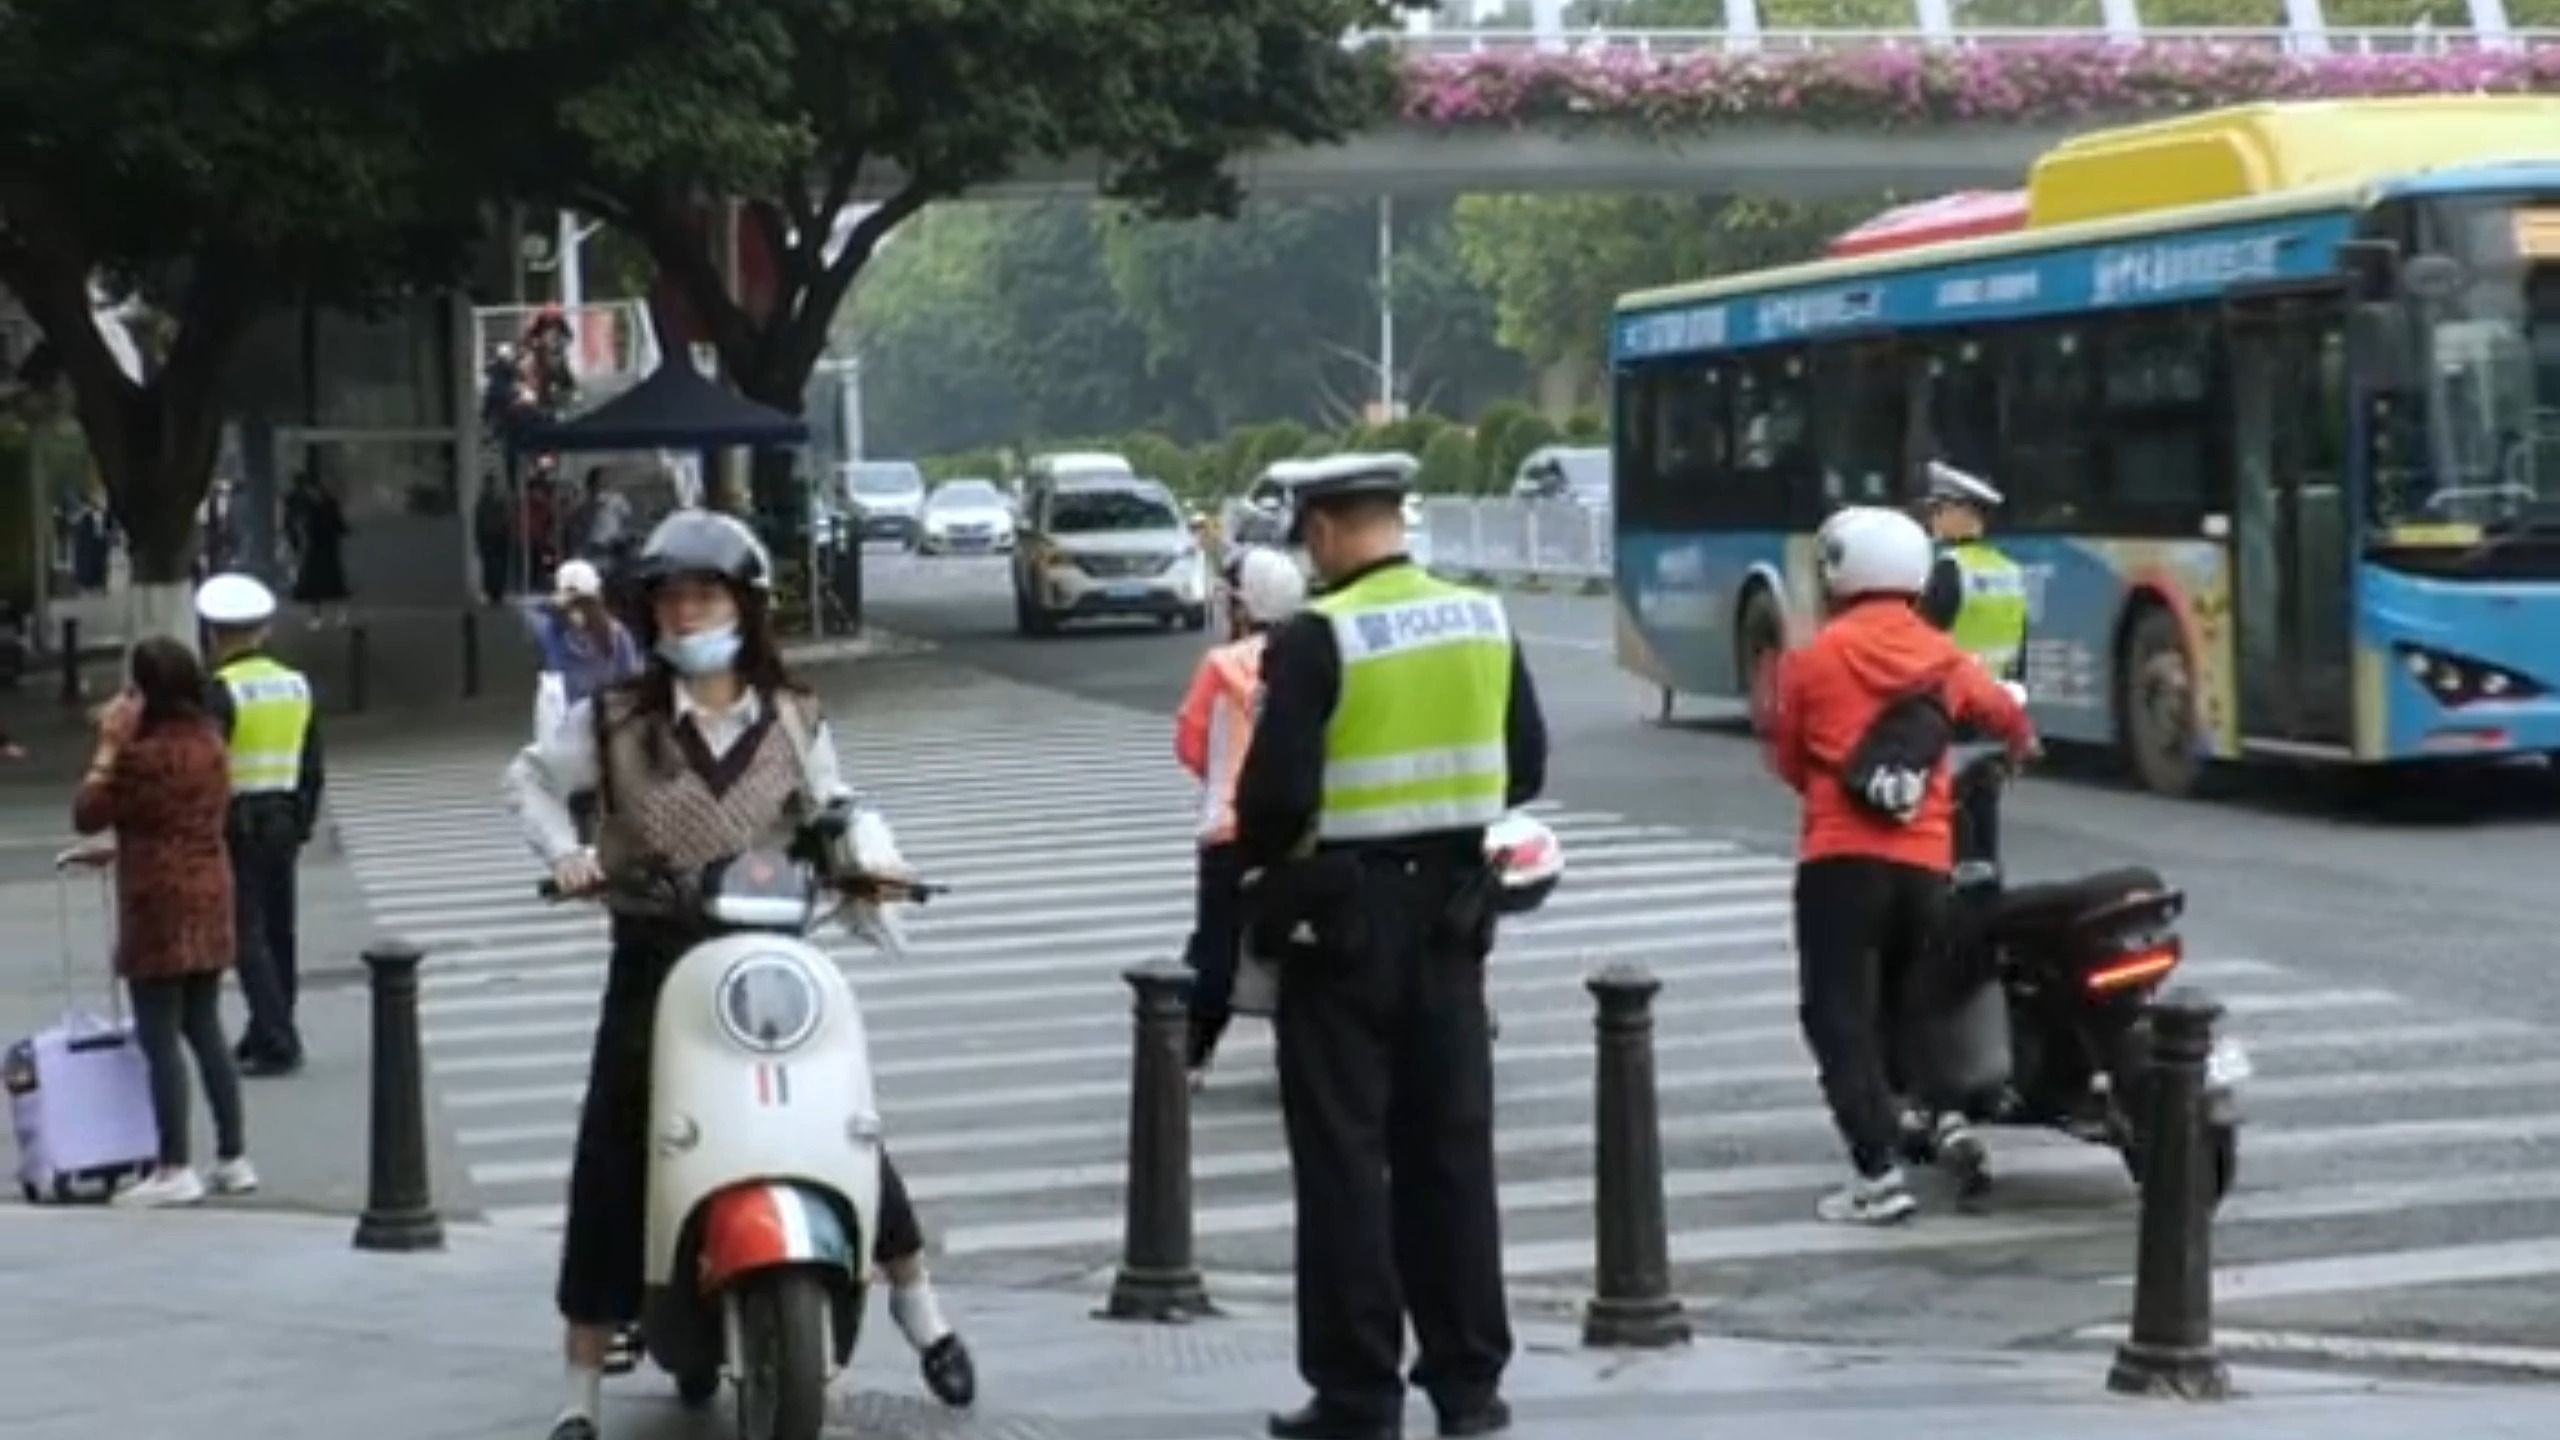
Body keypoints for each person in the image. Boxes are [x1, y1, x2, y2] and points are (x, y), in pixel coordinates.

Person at [501, 509, 975, 1440]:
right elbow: (528, 780)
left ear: (744, 608)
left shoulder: (796, 718)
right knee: (616, 1149)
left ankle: (920, 1302)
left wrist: (871, 865)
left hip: (774, 959)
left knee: (840, 1122)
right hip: (656, 959)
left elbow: (837, 810)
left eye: (706, 596)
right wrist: (567, 854)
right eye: (673, 600)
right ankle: (581, 1388)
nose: (688, 615)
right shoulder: (614, 717)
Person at [1235, 453, 1546, 1440]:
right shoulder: (1482, 618)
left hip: (1343, 930)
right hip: (1455, 922)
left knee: (1343, 1164)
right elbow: (1524, 765)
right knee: (1450, 1158)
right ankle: (1467, 1387)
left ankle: (1358, 1392)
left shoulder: (1319, 637)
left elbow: (1273, 803)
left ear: (1321, 532)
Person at [1760, 506, 2035, 1226]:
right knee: (1912, 1004)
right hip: (1925, 864)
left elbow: (1788, 760)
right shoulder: (1942, 658)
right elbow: (2006, 717)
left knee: (1838, 1014)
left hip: (1838, 862)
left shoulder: (1812, 660)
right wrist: (2016, 747)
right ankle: (1932, 1117)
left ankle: (1876, 1171)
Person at [72, 637, 258, 1208]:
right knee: (205, 1027)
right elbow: (172, 818)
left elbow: (87, 813)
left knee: (159, 1035)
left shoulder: (141, 756)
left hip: (158, 900)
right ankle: (233, 1156)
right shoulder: (210, 742)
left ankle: (173, 1163)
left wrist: (107, 744)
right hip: (209, 887)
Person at [1173, 545, 1307, 1088]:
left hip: (1229, 826)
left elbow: (1190, 742)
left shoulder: (1222, 665)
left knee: (1215, 948)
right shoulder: (1312, 656)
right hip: (1298, 823)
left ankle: (1193, 1056)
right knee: (1292, 943)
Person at [197, 573, 324, 1078]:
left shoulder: (220, 691)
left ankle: (276, 1038)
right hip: (284, 820)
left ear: (214, 634)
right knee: (279, 931)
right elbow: (312, 761)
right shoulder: (295, 684)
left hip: (238, 821)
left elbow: (207, 765)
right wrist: (303, 821)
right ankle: (269, 1025)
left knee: (244, 935)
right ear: (264, 630)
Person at [286, 469, 353, 628]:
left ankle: (319, 617)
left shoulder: (313, 506)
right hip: (328, 549)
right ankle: (340, 615)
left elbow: (309, 526)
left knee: (316, 586)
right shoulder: (329, 505)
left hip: (317, 549)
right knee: (334, 584)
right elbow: (339, 526)